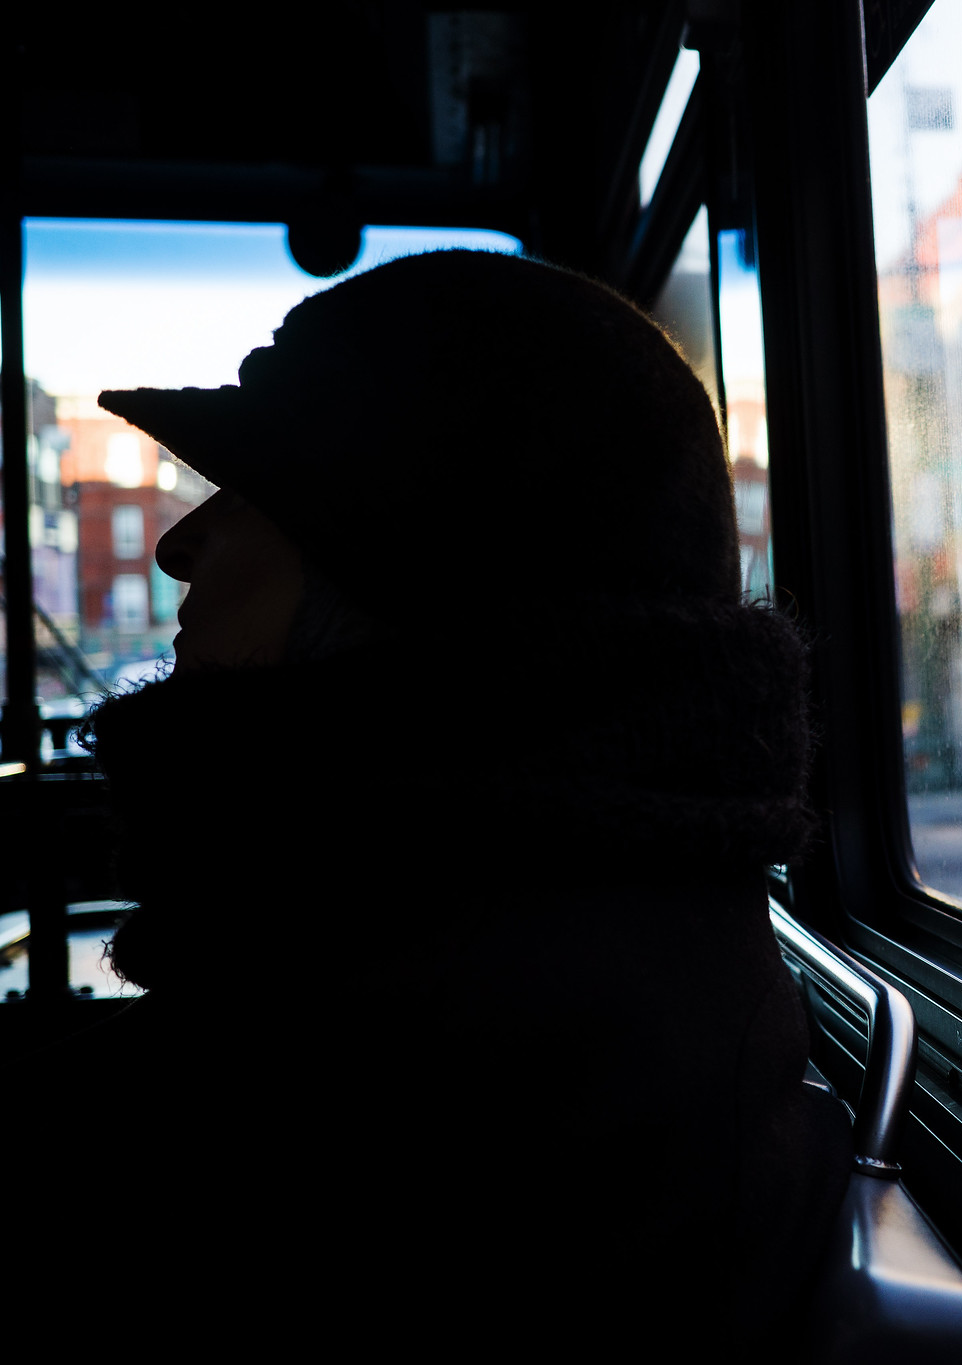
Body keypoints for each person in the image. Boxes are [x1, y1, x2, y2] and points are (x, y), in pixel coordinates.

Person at [3, 250, 849, 1352]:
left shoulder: (379, 1066)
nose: (177, 546)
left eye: (251, 495)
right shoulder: (548, 948)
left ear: (414, 564)